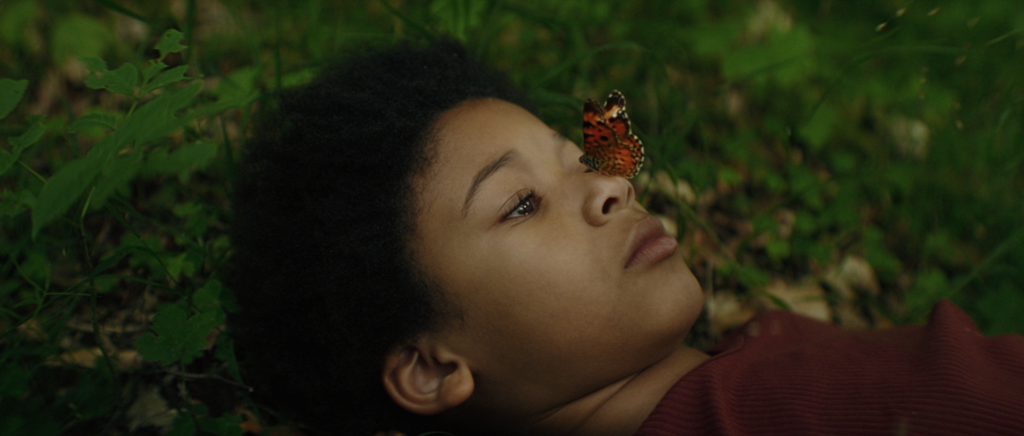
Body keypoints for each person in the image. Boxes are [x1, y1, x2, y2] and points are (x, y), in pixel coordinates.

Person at [229, 40, 1024, 436]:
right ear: (434, 366)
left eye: (579, 161)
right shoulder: (777, 410)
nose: (612, 185)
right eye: (519, 205)